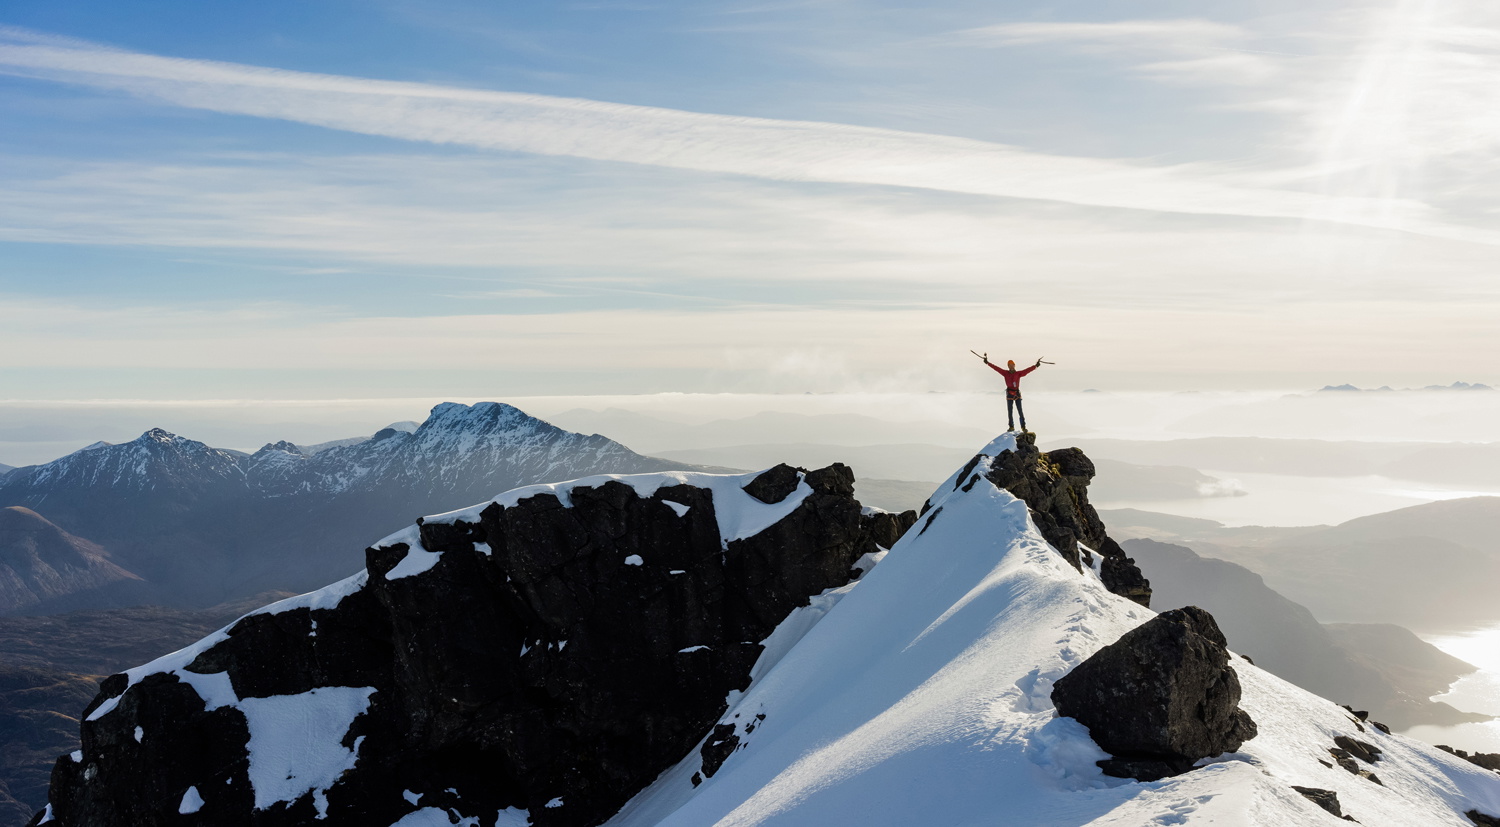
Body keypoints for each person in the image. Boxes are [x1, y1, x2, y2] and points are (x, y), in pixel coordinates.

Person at [983, 357, 1042, 432]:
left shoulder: (1018, 374)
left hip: (1016, 394)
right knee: (1010, 412)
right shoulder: (1005, 373)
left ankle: (1023, 427)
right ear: (1008, 366)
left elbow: (1027, 370)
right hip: (1010, 394)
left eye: (1012, 365)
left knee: (1020, 411)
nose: (1011, 366)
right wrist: (988, 363)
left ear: (1014, 365)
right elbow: (996, 368)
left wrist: (1035, 366)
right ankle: (1011, 427)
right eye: (1009, 365)